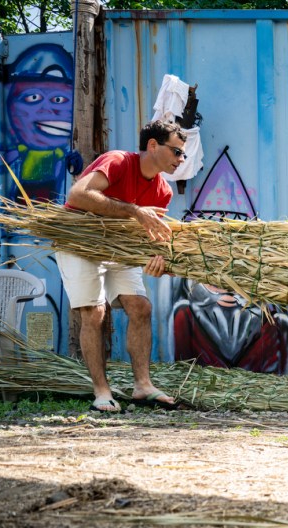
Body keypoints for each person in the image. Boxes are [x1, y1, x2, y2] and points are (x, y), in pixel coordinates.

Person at [60, 120, 187, 412]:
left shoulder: (162, 191)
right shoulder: (117, 161)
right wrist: (133, 211)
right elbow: (77, 195)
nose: (181, 160)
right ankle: (102, 391)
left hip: (117, 248)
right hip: (79, 242)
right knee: (94, 312)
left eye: (183, 155)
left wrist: (157, 262)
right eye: (177, 152)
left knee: (141, 307)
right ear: (153, 145)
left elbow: (150, 240)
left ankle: (142, 386)